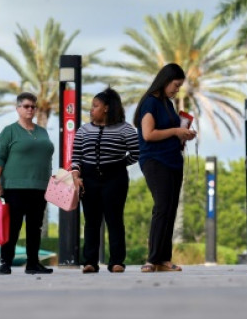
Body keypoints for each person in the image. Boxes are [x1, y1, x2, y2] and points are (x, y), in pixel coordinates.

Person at [134, 63, 196, 272]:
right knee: (161, 207)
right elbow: (148, 134)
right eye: (176, 85)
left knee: (170, 209)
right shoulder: (150, 103)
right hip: (154, 160)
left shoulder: (168, 104)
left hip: (173, 160)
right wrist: (175, 131)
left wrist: (183, 134)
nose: (176, 90)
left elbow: (172, 131)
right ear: (166, 80)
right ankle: (152, 259)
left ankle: (164, 259)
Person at [73, 88, 139, 273]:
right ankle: (90, 262)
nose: (91, 110)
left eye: (95, 106)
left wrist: (119, 165)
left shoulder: (125, 129)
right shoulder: (83, 130)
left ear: (107, 108)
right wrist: (76, 175)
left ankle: (117, 261)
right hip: (88, 178)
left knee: (115, 220)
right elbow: (76, 156)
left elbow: (136, 152)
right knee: (91, 221)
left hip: (115, 179)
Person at [0, 92, 55, 275]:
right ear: (18, 108)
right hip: (14, 186)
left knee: (35, 227)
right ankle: (6, 262)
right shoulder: (9, 131)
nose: (30, 109)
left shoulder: (42, 131)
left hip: (39, 186)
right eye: (26, 106)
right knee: (13, 226)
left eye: (33, 106)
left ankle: (33, 263)